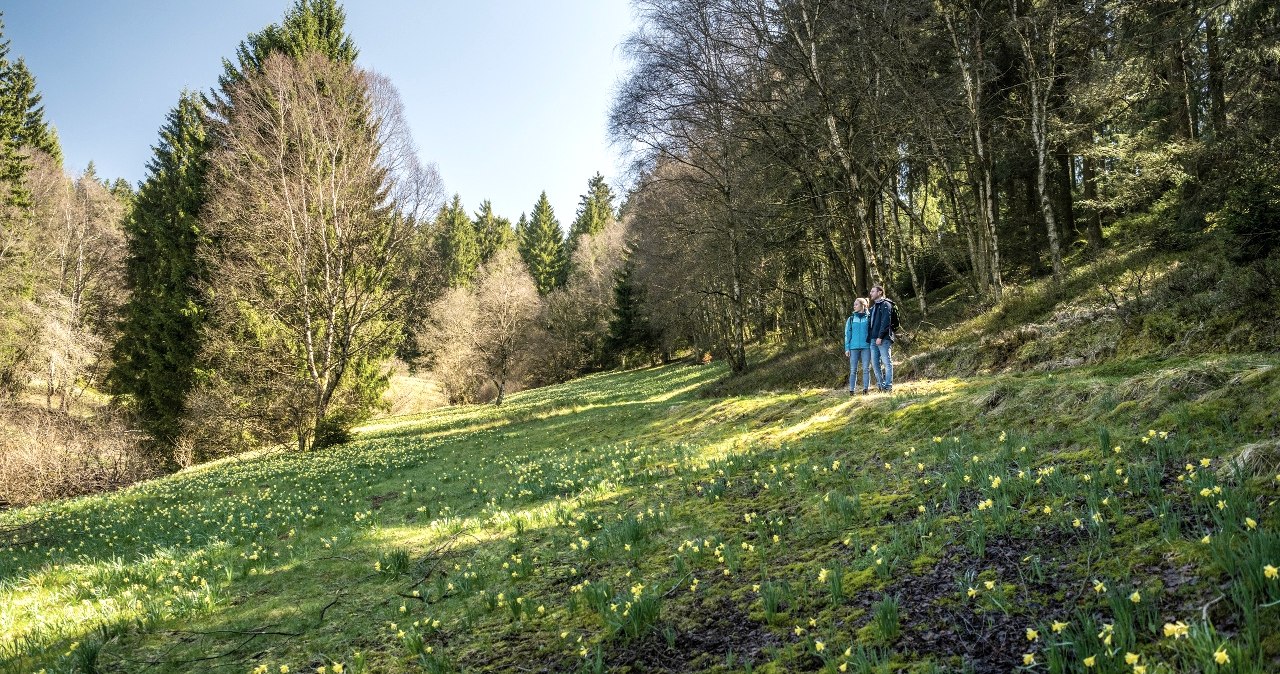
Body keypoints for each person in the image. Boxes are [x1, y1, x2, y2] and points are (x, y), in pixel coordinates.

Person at [866, 284, 895, 392]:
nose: (870, 293)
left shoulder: (886, 304)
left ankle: (888, 387)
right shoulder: (873, 307)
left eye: (873, 291)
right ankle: (881, 386)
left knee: (887, 362)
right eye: (871, 291)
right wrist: (870, 338)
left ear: (879, 292)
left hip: (883, 339)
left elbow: (886, 322)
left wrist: (880, 336)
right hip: (873, 340)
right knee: (875, 364)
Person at [844, 298, 873, 394]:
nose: (854, 306)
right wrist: (847, 348)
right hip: (853, 347)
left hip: (866, 347)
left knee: (866, 369)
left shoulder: (869, 317)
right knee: (853, 370)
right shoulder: (851, 319)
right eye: (854, 304)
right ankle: (852, 390)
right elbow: (847, 334)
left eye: (856, 304)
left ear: (862, 305)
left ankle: (866, 389)